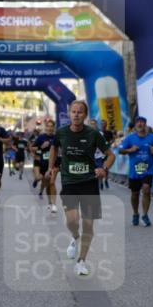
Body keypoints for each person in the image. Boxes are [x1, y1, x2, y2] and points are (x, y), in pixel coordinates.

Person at [48, 100, 114, 277]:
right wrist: (51, 166)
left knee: (88, 223)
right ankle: (75, 237)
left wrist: (104, 168)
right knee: (72, 221)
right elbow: (54, 148)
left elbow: (110, 155)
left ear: (85, 115)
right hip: (69, 182)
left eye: (80, 112)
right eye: (73, 112)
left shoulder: (93, 134)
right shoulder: (61, 132)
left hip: (89, 182)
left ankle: (81, 261)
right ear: (69, 114)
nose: (76, 115)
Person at [118, 116, 153, 226]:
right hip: (135, 170)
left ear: (145, 124)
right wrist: (130, 150)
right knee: (135, 193)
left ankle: (145, 215)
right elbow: (120, 150)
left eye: (142, 122)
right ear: (135, 125)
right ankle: (135, 213)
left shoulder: (152, 137)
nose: (140, 124)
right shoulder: (130, 138)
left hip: (148, 169)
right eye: (138, 123)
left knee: (146, 190)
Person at [33, 118, 59, 212]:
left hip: (54, 164)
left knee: (52, 182)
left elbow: (62, 149)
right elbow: (32, 148)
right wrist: (41, 147)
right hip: (43, 164)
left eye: (51, 126)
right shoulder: (41, 137)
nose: (50, 128)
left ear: (54, 128)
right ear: (46, 127)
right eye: (48, 126)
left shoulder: (57, 137)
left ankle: (54, 204)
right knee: (47, 184)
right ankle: (50, 202)